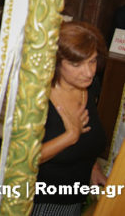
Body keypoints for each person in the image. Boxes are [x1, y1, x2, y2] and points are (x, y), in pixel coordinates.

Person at [32, 21, 108, 216]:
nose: (89, 72)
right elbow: (24, 158)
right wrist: (70, 136)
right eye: (76, 64)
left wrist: (93, 167)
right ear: (56, 63)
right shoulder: (38, 98)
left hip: (76, 200)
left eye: (92, 61)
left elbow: (90, 138)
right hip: (42, 203)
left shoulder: (91, 87)